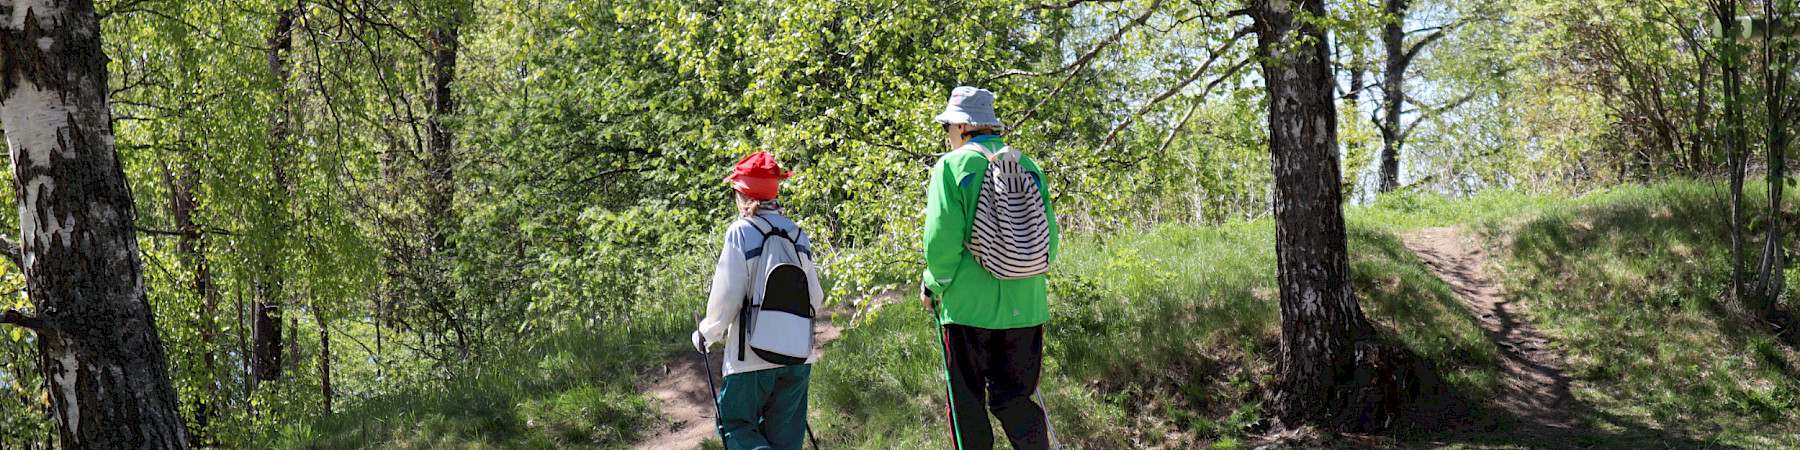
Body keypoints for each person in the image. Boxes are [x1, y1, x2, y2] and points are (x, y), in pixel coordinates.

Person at [920, 86, 1060, 450]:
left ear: (963, 126)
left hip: (968, 309)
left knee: (967, 405)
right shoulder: (1027, 165)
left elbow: (942, 245)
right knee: (1015, 400)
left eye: (948, 126)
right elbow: (1051, 243)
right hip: (1026, 307)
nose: (947, 134)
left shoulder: (950, 167)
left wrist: (932, 286)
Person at [694, 151, 826, 450]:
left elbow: (727, 299)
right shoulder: (797, 234)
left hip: (749, 359)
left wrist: (707, 334)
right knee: (786, 440)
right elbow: (815, 298)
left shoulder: (741, 232)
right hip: (797, 357)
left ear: (742, 194)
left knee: (736, 426)